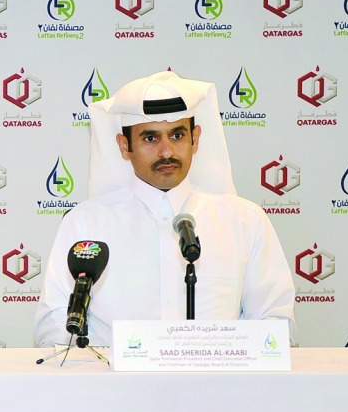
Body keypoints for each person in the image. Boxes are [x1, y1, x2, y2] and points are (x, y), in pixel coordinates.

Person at [34, 70, 295, 347]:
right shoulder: (86, 224)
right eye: (150, 138)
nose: (167, 152)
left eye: (177, 135)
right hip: (114, 386)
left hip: (219, 388)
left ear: (195, 139)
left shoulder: (245, 220)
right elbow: (53, 327)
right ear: (124, 146)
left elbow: (275, 323)